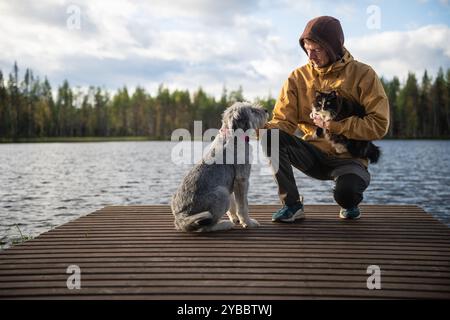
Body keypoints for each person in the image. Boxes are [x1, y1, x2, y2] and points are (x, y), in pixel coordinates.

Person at [262, 16, 389, 221]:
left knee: (346, 194)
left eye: (317, 49)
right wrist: (250, 129)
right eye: (307, 48)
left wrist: (334, 125)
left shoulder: (363, 74)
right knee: (270, 136)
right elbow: (283, 122)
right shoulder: (297, 77)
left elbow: (379, 124)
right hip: (313, 154)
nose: (310, 55)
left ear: (332, 47)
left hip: (350, 157)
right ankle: (292, 205)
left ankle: (349, 202)